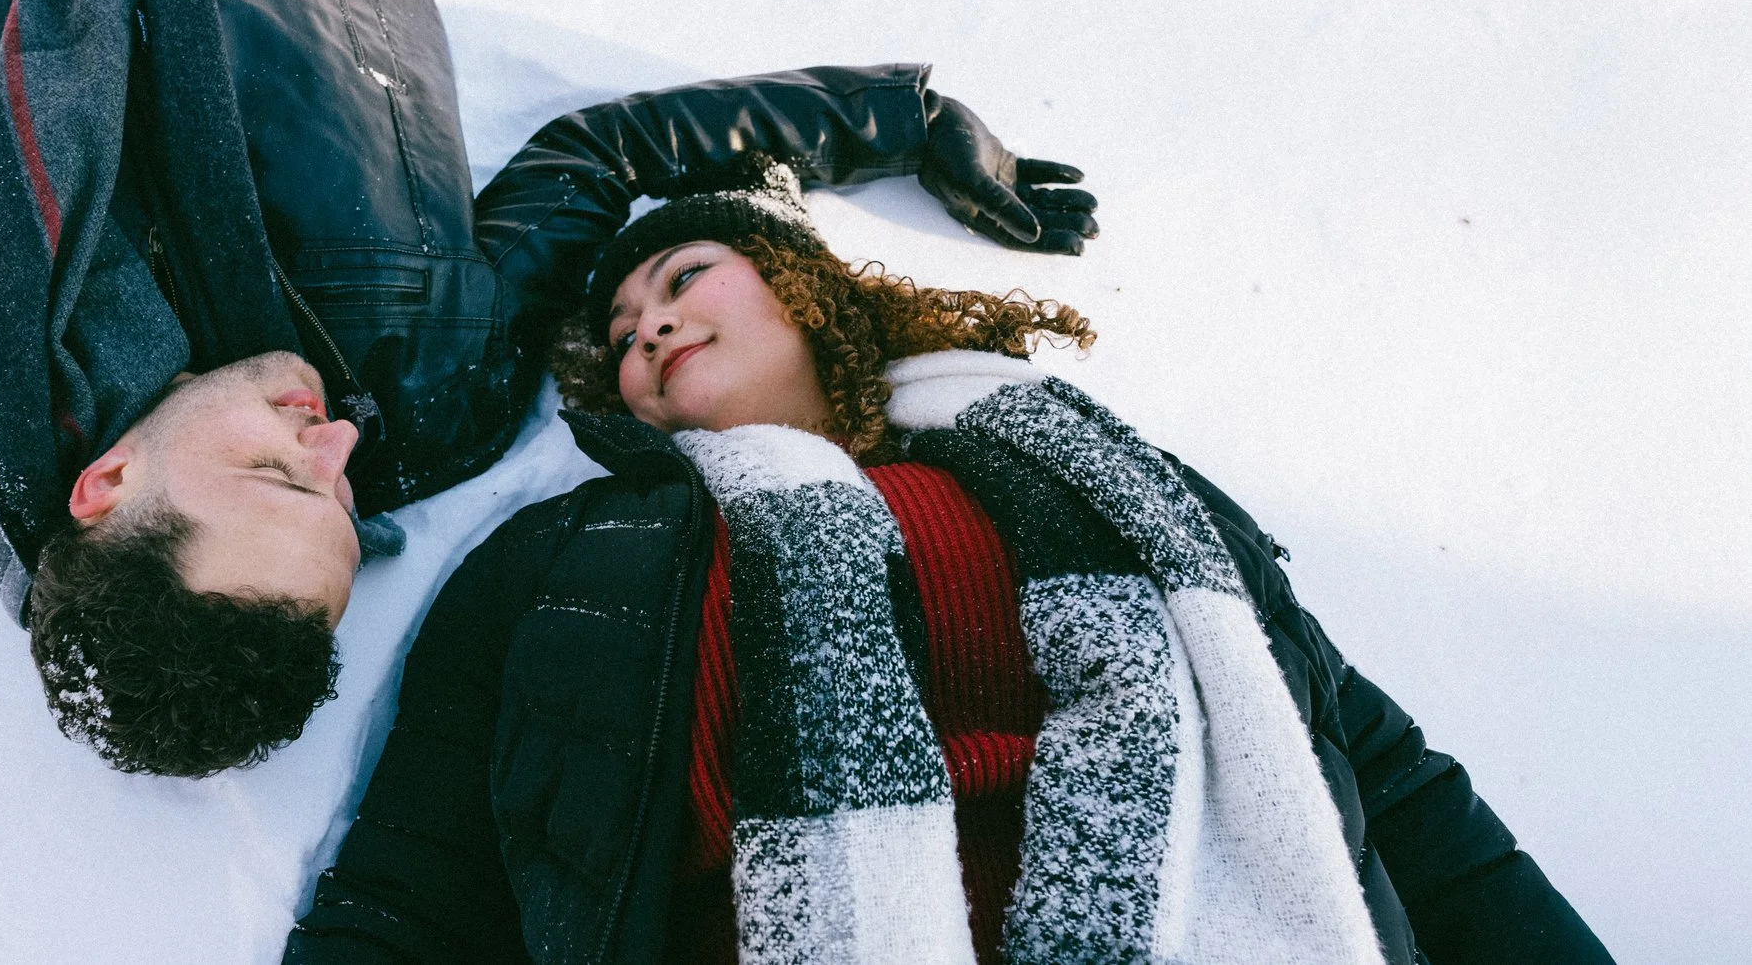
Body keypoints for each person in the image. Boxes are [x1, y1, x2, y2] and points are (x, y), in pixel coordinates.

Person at [0, 0, 1099, 776]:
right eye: (342, 497)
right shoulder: (426, 385)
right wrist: (896, 121)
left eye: (280, 475)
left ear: (102, 490)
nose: (335, 438)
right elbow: (599, 153)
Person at [284, 158, 1611, 963]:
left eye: (687, 274)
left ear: (804, 288)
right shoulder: (568, 559)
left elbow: (1384, 783)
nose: (654, 327)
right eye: (624, 334)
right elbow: (418, 887)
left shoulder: (1101, 480)